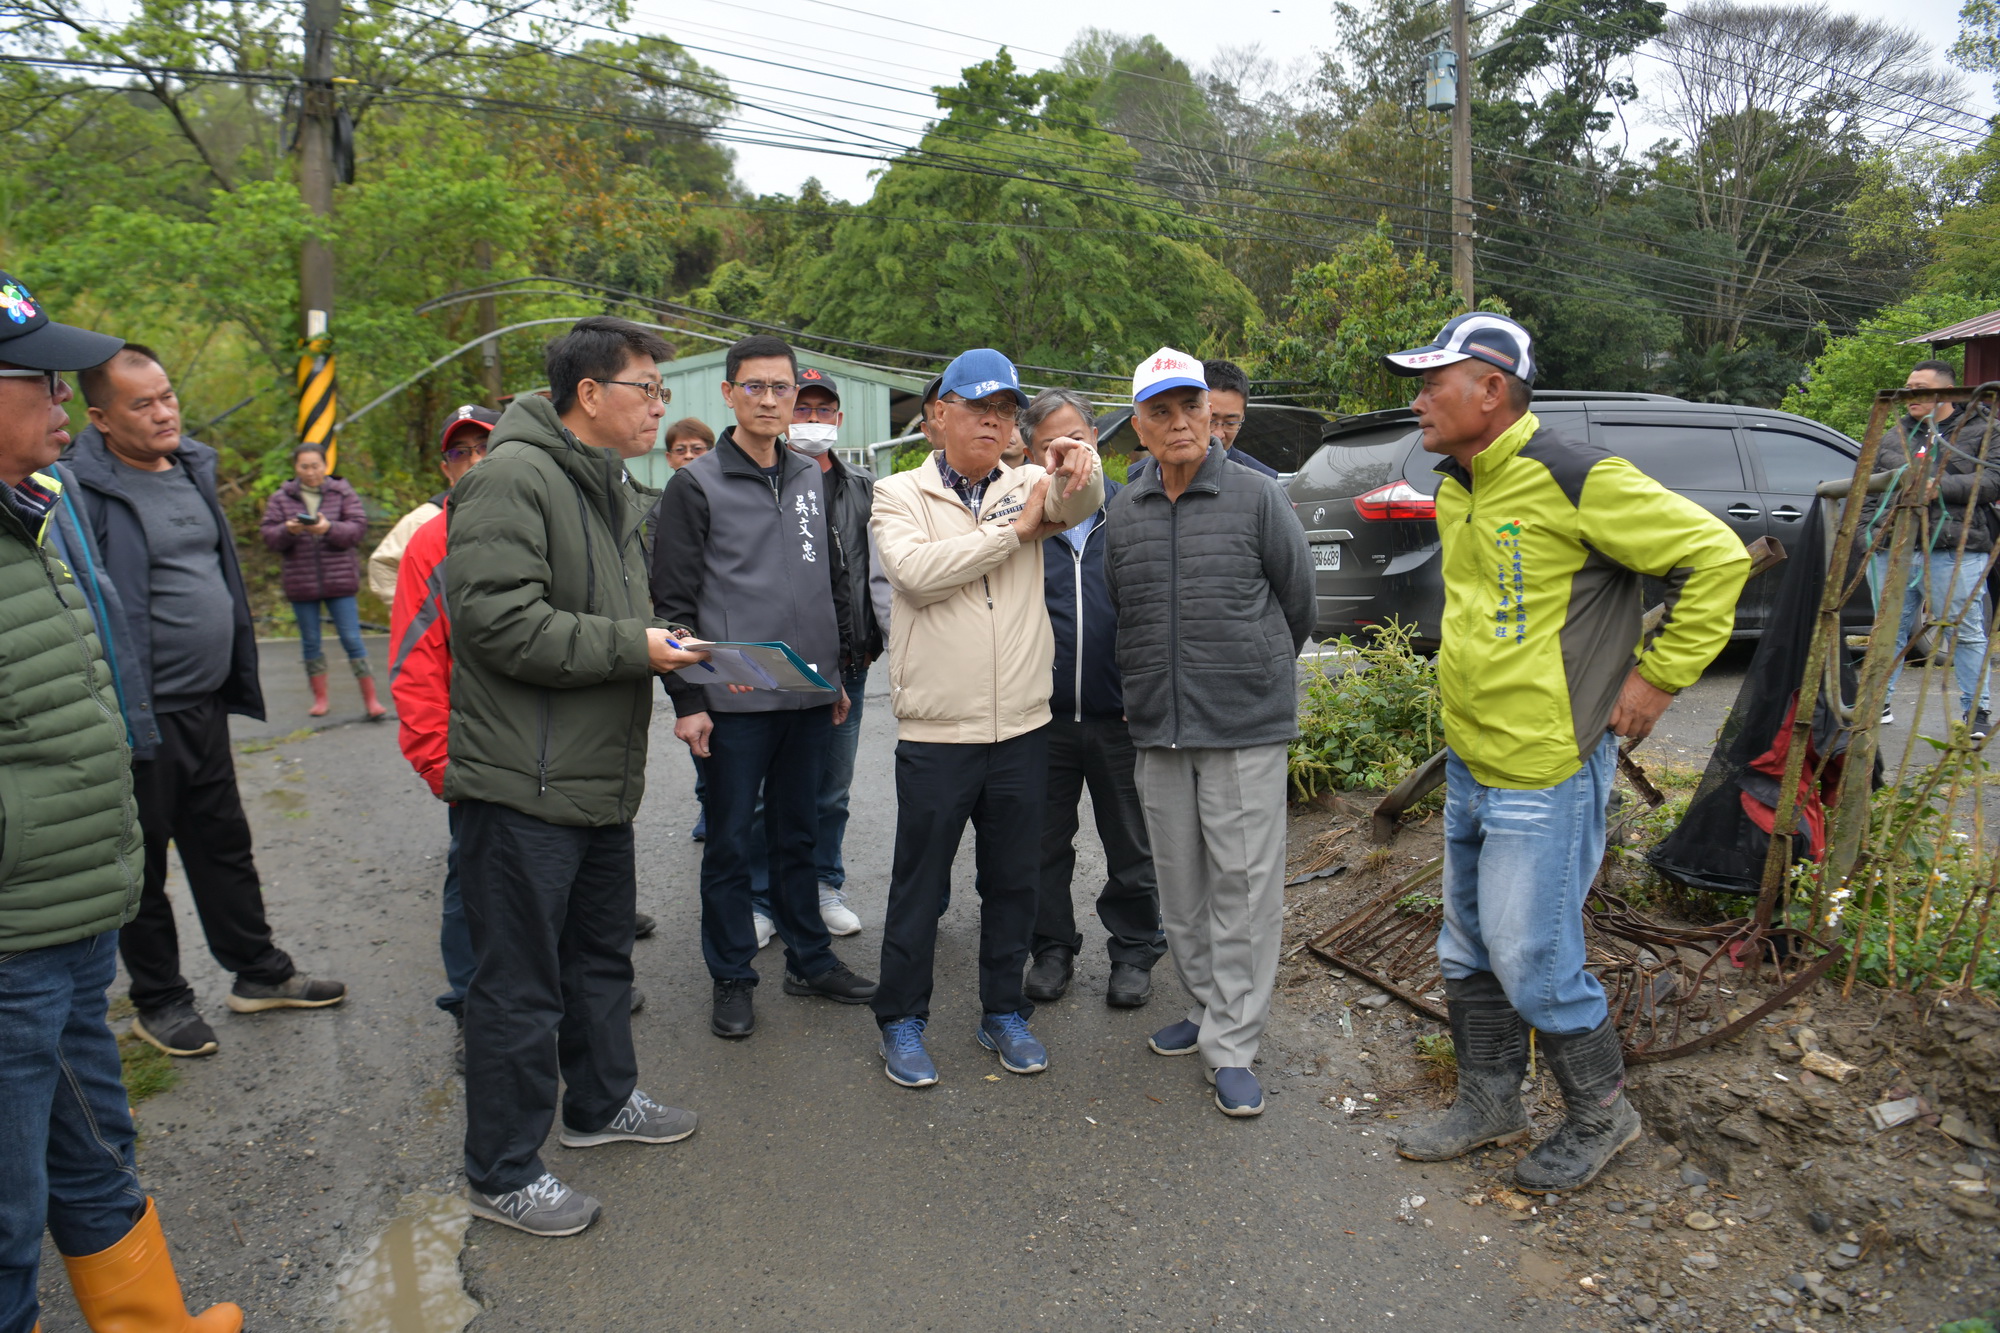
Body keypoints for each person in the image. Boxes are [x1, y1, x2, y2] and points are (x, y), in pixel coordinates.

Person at [1379, 314, 1748, 1188]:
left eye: (1435, 382)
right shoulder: (1460, 484)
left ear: (1492, 389)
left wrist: (1656, 680)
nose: (1419, 399)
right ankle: (1490, 1101)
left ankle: (1602, 1114)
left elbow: (1716, 556)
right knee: (1466, 950)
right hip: (1474, 760)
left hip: (1547, 771)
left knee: (1536, 960)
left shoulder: (1575, 476)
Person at [0, 273, 244, 1333]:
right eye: (44, 382)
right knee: (7, 1211)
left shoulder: (33, 515)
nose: (66, 400)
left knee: (96, 1150)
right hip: (14, 930)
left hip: (65, 920)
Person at [446, 316, 709, 1237]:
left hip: (596, 780)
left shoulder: (610, 488)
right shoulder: (510, 480)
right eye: (647, 387)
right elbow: (499, 623)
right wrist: (633, 647)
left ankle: (601, 1104)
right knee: (517, 985)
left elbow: (611, 614)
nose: (660, 405)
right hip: (525, 784)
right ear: (590, 394)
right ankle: (503, 1169)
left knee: (600, 957)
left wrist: (663, 647)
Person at [67, 345, 347, 1060]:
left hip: (203, 703)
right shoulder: (79, 489)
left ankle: (258, 971)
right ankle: (158, 999)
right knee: (145, 859)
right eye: (142, 404)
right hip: (141, 712)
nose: (164, 412)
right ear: (99, 418)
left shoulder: (192, 466)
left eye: (167, 396)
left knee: (223, 843)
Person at [867, 348, 1103, 1089]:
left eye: (1005, 413)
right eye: (977, 409)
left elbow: (1082, 505)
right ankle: (901, 1020)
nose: (992, 423)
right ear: (939, 415)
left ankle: (1004, 1009)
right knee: (918, 883)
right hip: (938, 731)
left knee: (1013, 881)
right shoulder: (896, 493)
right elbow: (916, 575)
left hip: (1023, 728)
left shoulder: (1029, 479)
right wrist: (1011, 535)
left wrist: (1078, 461)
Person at [1103, 346, 1312, 1119]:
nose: (1181, 421)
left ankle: (1233, 1043)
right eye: (1161, 411)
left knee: (1247, 888)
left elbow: (1298, 608)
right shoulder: (1125, 510)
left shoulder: (1258, 497)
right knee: (1183, 887)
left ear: (1210, 413)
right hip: (1158, 725)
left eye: (1191, 406)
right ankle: (1205, 1006)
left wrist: (1246, 675)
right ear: (1140, 427)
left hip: (1243, 724)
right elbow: (1123, 606)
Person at [652, 336, 877, 1041]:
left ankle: (809, 959)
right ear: (729, 395)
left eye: (782, 388)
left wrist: (836, 674)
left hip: (808, 694)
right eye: (756, 387)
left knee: (799, 833)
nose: (773, 400)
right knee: (729, 841)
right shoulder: (696, 485)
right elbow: (673, 605)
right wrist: (688, 702)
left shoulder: (813, 475)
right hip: (733, 698)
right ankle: (731, 975)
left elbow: (834, 583)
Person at [1017, 387, 1164, 1008]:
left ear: (1097, 442)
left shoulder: (1130, 515)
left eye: (1077, 436)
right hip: (1040, 719)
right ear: (1030, 454)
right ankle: (1051, 949)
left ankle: (1133, 951)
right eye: (1051, 442)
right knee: (1042, 844)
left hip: (1119, 716)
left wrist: (1146, 690)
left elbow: (1157, 612)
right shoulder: (1020, 523)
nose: (1068, 451)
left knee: (1131, 843)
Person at [736, 364, 891, 944]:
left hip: (847, 660)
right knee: (761, 789)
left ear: (839, 419)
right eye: (804, 408)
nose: (812, 419)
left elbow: (878, 572)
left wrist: (872, 643)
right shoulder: (764, 479)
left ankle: (824, 883)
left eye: (824, 411)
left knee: (831, 788)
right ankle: (759, 898)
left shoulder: (863, 486)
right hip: (774, 660)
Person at [1865, 360, 2000, 735]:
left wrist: (1939, 486)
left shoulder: (1983, 429)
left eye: (1920, 388)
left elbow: (1993, 480)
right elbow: (1869, 485)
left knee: (1965, 630)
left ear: (1945, 393)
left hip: (1954, 545)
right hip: (1893, 546)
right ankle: (1877, 705)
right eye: (1908, 387)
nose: (1910, 395)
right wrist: (1866, 532)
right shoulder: (1893, 433)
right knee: (1887, 630)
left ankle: (1977, 714)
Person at [260, 443, 384, 719]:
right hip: (301, 582)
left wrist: (329, 528)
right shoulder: (281, 498)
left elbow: (357, 529)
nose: (310, 472)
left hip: (339, 580)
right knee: (310, 642)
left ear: (325, 466)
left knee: (353, 639)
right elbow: (268, 536)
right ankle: (320, 699)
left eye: (315, 465)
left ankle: (372, 700)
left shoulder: (342, 492)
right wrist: (288, 530)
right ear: (296, 468)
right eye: (304, 466)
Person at [367, 403, 497, 603]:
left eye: (486, 446)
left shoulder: (541, 505)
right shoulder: (425, 520)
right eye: (459, 452)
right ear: (447, 470)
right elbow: (383, 565)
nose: (475, 460)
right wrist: (422, 609)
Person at [1127, 358, 1280, 482]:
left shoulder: (1263, 483)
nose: (1219, 434)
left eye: (1231, 422)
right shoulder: (1137, 478)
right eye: (1212, 420)